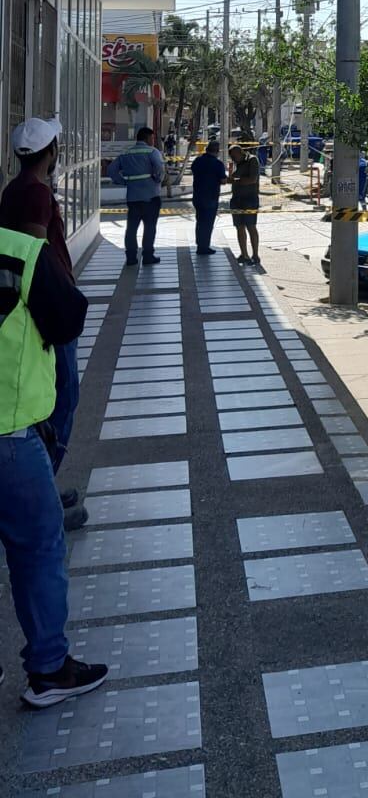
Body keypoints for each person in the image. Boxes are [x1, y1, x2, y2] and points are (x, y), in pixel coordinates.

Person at [0, 214, 108, 706]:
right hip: (11, 437)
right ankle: (48, 669)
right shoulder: (21, 252)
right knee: (38, 551)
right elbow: (68, 320)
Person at [0, 118, 88, 530]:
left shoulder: (14, 189)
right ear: (51, 152)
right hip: (44, 305)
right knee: (63, 397)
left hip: (27, 305)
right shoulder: (35, 193)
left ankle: (43, 489)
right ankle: (42, 495)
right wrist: (62, 297)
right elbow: (35, 250)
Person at [107, 126, 164, 268]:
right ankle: (148, 256)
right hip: (151, 196)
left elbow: (111, 170)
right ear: (147, 138)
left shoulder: (126, 153)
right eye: (152, 138)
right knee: (150, 227)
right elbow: (159, 168)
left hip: (132, 197)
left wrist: (123, 181)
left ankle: (131, 257)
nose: (153, 141)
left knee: (132, 228)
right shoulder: (152, 152)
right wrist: (157, 180)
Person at [190, 141, 226, 256]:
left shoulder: (198, 161)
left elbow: (193, 171)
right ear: (217, 151)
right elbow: (223, 180)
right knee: (208, 223)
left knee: (200, 221)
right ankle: (204, 247)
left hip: (198, 196)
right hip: (211, 197)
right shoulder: (218, 164)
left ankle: (200, 244)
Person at [228, 142, 261, 266]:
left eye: (234, 156)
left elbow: (252, 179)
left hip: (249, 199)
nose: (233, 159)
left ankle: (255, 255)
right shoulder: (236, 163)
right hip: (236, 199)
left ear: (240, 152)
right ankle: (244, 254)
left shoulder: (252, 160)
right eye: (231, 157)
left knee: (251, 226)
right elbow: (232, 177)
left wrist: (236, 181)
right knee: (239, 227)